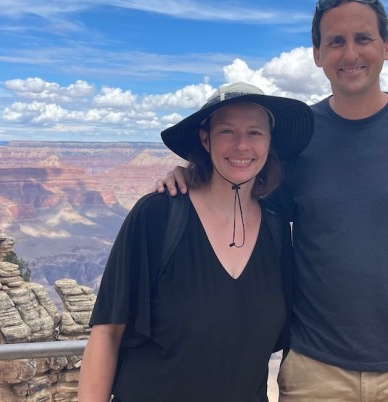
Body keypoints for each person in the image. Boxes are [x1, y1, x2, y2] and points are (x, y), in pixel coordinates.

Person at [160, 0, 388, 402]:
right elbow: (244, 200)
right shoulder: (299, 139)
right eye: (336, 41)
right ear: (318, 55)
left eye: (363, 38)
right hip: (315, 370)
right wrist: (195, 172)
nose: (350, 53)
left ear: (386, 47)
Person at [79, 82, 314, 402]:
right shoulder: (158, 216)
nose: (242, 145)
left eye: (255, 132)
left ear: (269, 142)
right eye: (227, 131)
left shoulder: (276, 229)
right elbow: (107, 333)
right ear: (205, 139)